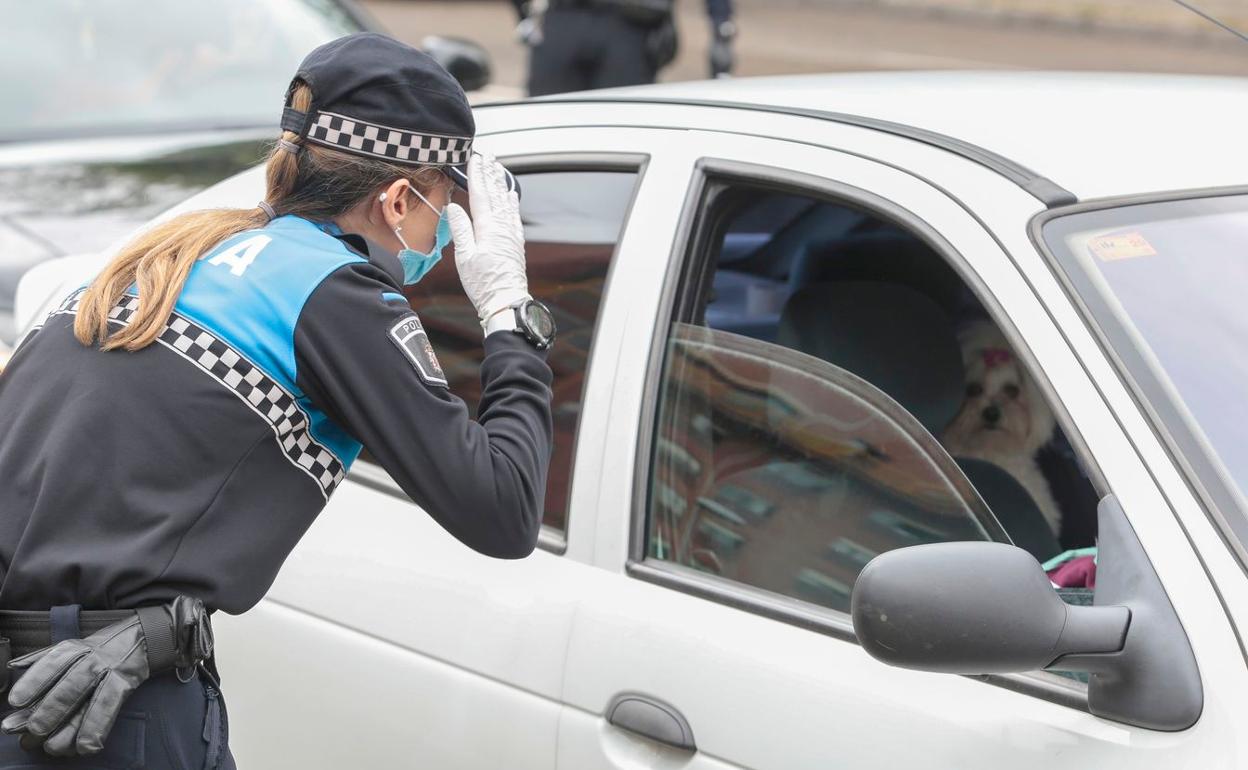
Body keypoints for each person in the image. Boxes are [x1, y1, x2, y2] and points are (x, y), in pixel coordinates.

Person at [0, 32, 555, 767]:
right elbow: (504, 507)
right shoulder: (334, 293)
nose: (446, 240)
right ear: (397, 200)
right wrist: (511, 317)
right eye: (445, 208)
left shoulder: (169, 252)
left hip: (48, 679)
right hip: (103, 709)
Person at [512, 0, 737, 97]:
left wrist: (721, 25)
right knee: (546, 129)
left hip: (631, 26)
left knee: (622, 131)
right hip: (565, 21)